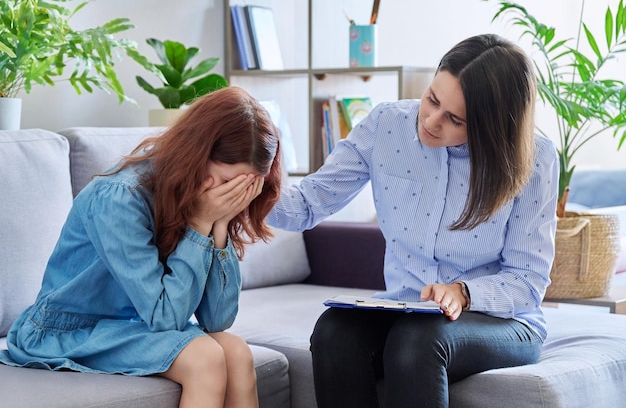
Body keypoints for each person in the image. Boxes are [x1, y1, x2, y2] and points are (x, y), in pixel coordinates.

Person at [267, 34, 559, 408]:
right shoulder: (387, 125)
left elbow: (527, 281)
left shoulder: (535, 159)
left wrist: (464, 292)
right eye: (432, 99)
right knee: (334, 331)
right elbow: (307, 204)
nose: (431, 121)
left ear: (492, 128)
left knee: (416, 342)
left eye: (454, 119)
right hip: (407, 310)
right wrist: (247, 190)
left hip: (502, 320)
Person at [0, 86, 282, 408]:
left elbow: (217, 320)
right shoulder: (120, 197)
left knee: (236, 352)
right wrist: (200, 225)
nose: (234, 195)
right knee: (204, 357)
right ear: (196, 155)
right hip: (68, 330)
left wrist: (219, 226)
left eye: (247, 188)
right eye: (229, 182)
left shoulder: (206, 200)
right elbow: (165, 318)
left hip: (133, 326)